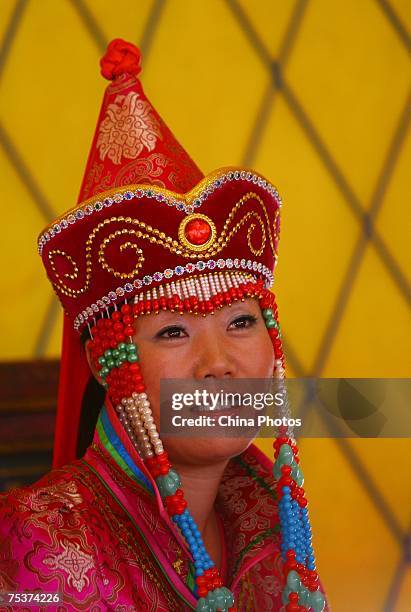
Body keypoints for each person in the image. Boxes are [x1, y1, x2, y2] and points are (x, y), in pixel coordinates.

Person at [0, 39, 328, 611]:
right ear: (109, 364)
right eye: (173, 332)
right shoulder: (38, 544)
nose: (220, 362)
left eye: (241, 322)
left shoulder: (274, 523)